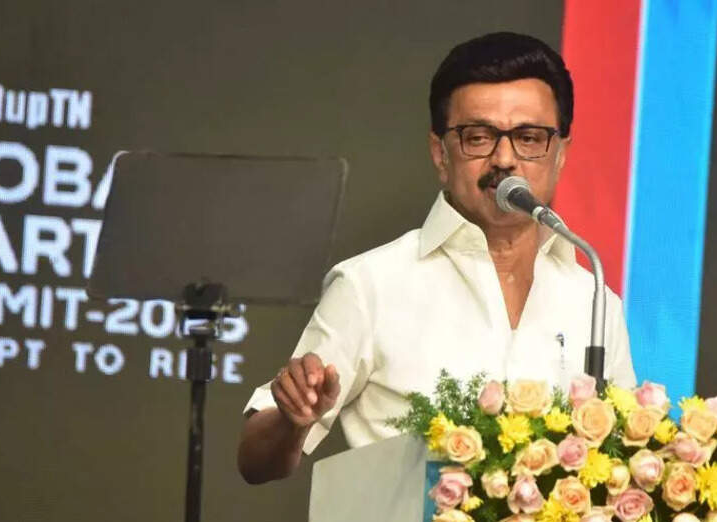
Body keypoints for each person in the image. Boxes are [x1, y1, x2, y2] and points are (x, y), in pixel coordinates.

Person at [237, 31, 636, 484]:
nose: (504, 159)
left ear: (560, 154)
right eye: (478, 137)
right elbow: (256, 460)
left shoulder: (593, 300)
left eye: (529, 138)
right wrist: (292, 421)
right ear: (440, 154)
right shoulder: (371, 285)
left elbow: (625, 462)